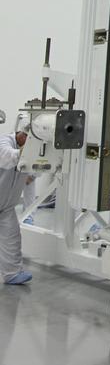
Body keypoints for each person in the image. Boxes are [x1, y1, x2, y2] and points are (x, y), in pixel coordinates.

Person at [0, 110, 32, 285]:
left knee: (12, 236)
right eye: (29, 138)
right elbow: (8, 158)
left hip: (6, 205)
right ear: (21, 134)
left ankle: (12, 273)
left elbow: (33, 170)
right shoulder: (4, 141)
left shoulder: (29, 150)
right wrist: (29, 153)